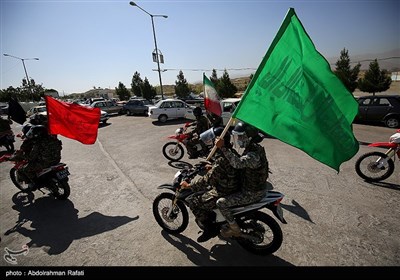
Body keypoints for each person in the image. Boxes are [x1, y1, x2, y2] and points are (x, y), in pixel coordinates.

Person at [180, 127, 241, 242]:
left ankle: (210, 229)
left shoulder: (222, 159)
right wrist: (212, 167)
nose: (211, 142)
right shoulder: (231, 152)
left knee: (193, 201)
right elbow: (223, 169)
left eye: (213, 140)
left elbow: (206, 180)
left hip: (224, 190)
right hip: (234, 185)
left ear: (218, 141)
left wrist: (189, 186)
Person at [214, 121, 269, 238]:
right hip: (252, 187)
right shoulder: (254, 148)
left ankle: (234, 228)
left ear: (249, 137)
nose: (238, 139)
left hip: (252, 193)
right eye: (237, 136)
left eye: (240, 136)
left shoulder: (253, 155)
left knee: (221, 203)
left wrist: (222, 148)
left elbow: (237, 163)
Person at [20, 125, 63, 190]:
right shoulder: (53, 139)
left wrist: (24, 156)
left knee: (25, 169)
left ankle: (36, 183)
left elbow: (31, 157)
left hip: (44, 163)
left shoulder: (38, 143)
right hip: (57, 160)